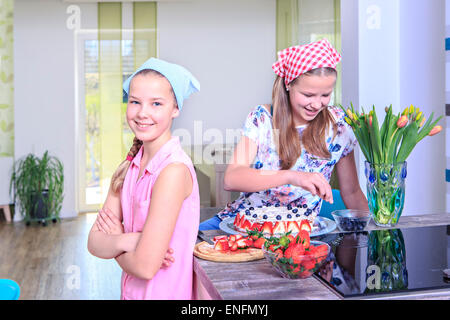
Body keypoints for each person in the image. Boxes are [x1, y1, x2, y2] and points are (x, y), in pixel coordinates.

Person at [199, 39, 368, 231]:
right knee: (185, 248)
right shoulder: (261, 118)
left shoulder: (339, 125)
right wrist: (292, 176)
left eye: (325, 95)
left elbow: (352, 191)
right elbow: (232, 178)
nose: (317, 104)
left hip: (299, 231)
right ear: (289, 85)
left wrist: (375, 238)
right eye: (308, 95)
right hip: (245, 223)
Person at [87, 58, 201, 300]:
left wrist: (115, 241)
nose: (143, 113)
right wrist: (131, 240)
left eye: (156, 103)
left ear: (175, 109)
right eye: (135, 102)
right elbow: (94, 242)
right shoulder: (127, 168)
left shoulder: (173, 171)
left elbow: (145, 267)